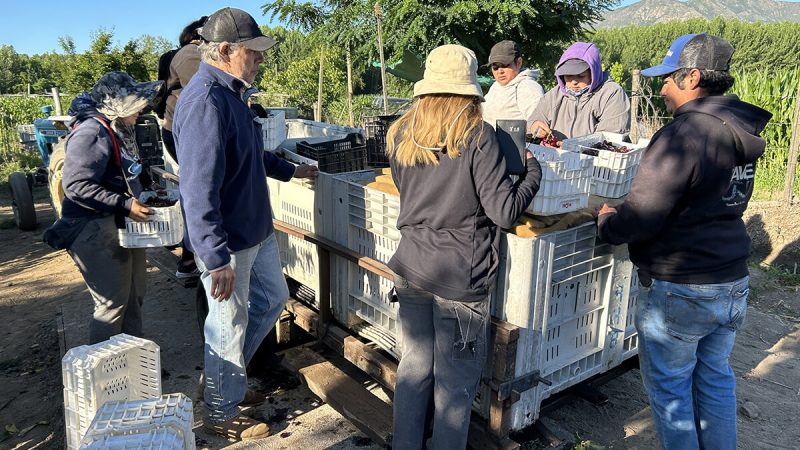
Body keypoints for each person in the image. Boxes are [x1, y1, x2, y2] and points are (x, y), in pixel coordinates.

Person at [596, 33, 772, 450]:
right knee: (715, 379)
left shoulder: (684, 135)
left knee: (671, 392)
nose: (661, 88)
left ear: (692, 77)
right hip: (730, 280)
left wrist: (607, 223)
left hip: (682, 286)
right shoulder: (737, 129)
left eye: (668, 78)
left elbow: (642, 216)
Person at [386, 44, 542, 450]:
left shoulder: (401, 132)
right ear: (470, 90)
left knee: (413, 370)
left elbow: (407, 190)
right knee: (454, 389)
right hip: (459, 277)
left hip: (411, 267)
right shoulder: (477, 135)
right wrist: (532, 172)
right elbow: (504, 212)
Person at [172, 7, 318, 441]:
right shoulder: (205, 102)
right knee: (226, 324)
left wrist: (291, 170)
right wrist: (215, 257)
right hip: (230, 241)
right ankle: (221, 411)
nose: (259, 59)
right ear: (224, 50)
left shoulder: (233, 94)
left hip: (257, 230)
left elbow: (250, 155)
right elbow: (197, 189)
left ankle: (224, 380)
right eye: (252, 52)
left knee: (272, 300)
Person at [60, 72, 163, 344]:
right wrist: (125, 204)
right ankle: (104, 364)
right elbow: (76, 185)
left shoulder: (117, 129)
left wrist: (146, 186)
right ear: (117, 104)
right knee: (112, 305)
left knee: (133, 296)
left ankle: (133, 357)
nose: (141, 109)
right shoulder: (92, 132)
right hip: (93, 227)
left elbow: (126, 168)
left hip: (119, 223)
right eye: (135, 103)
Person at [159, 15, 207, 278]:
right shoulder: (190, 53)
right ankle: (191, 259)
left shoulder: (188, 53)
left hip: (180, 130)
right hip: (183, 132)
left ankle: (191, 257)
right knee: (199, 190)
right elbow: (204, 93)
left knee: (197, 188)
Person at [529, 42, 630, 143]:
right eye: (568, 76)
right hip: (553, 152)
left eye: (581, 76)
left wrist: (572, 147)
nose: (574, 82)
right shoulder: (554, 95)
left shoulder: (612, 94)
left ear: (594, 73)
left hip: (594, 153)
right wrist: (534, 126)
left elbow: (610, 138)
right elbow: (532, 122)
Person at [482, 40, 545, 129]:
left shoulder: (527, 87)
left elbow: (538, 124)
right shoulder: (495, 86)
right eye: (495, 67)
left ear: (519, 62)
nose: (500, 71)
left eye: (505, 65)